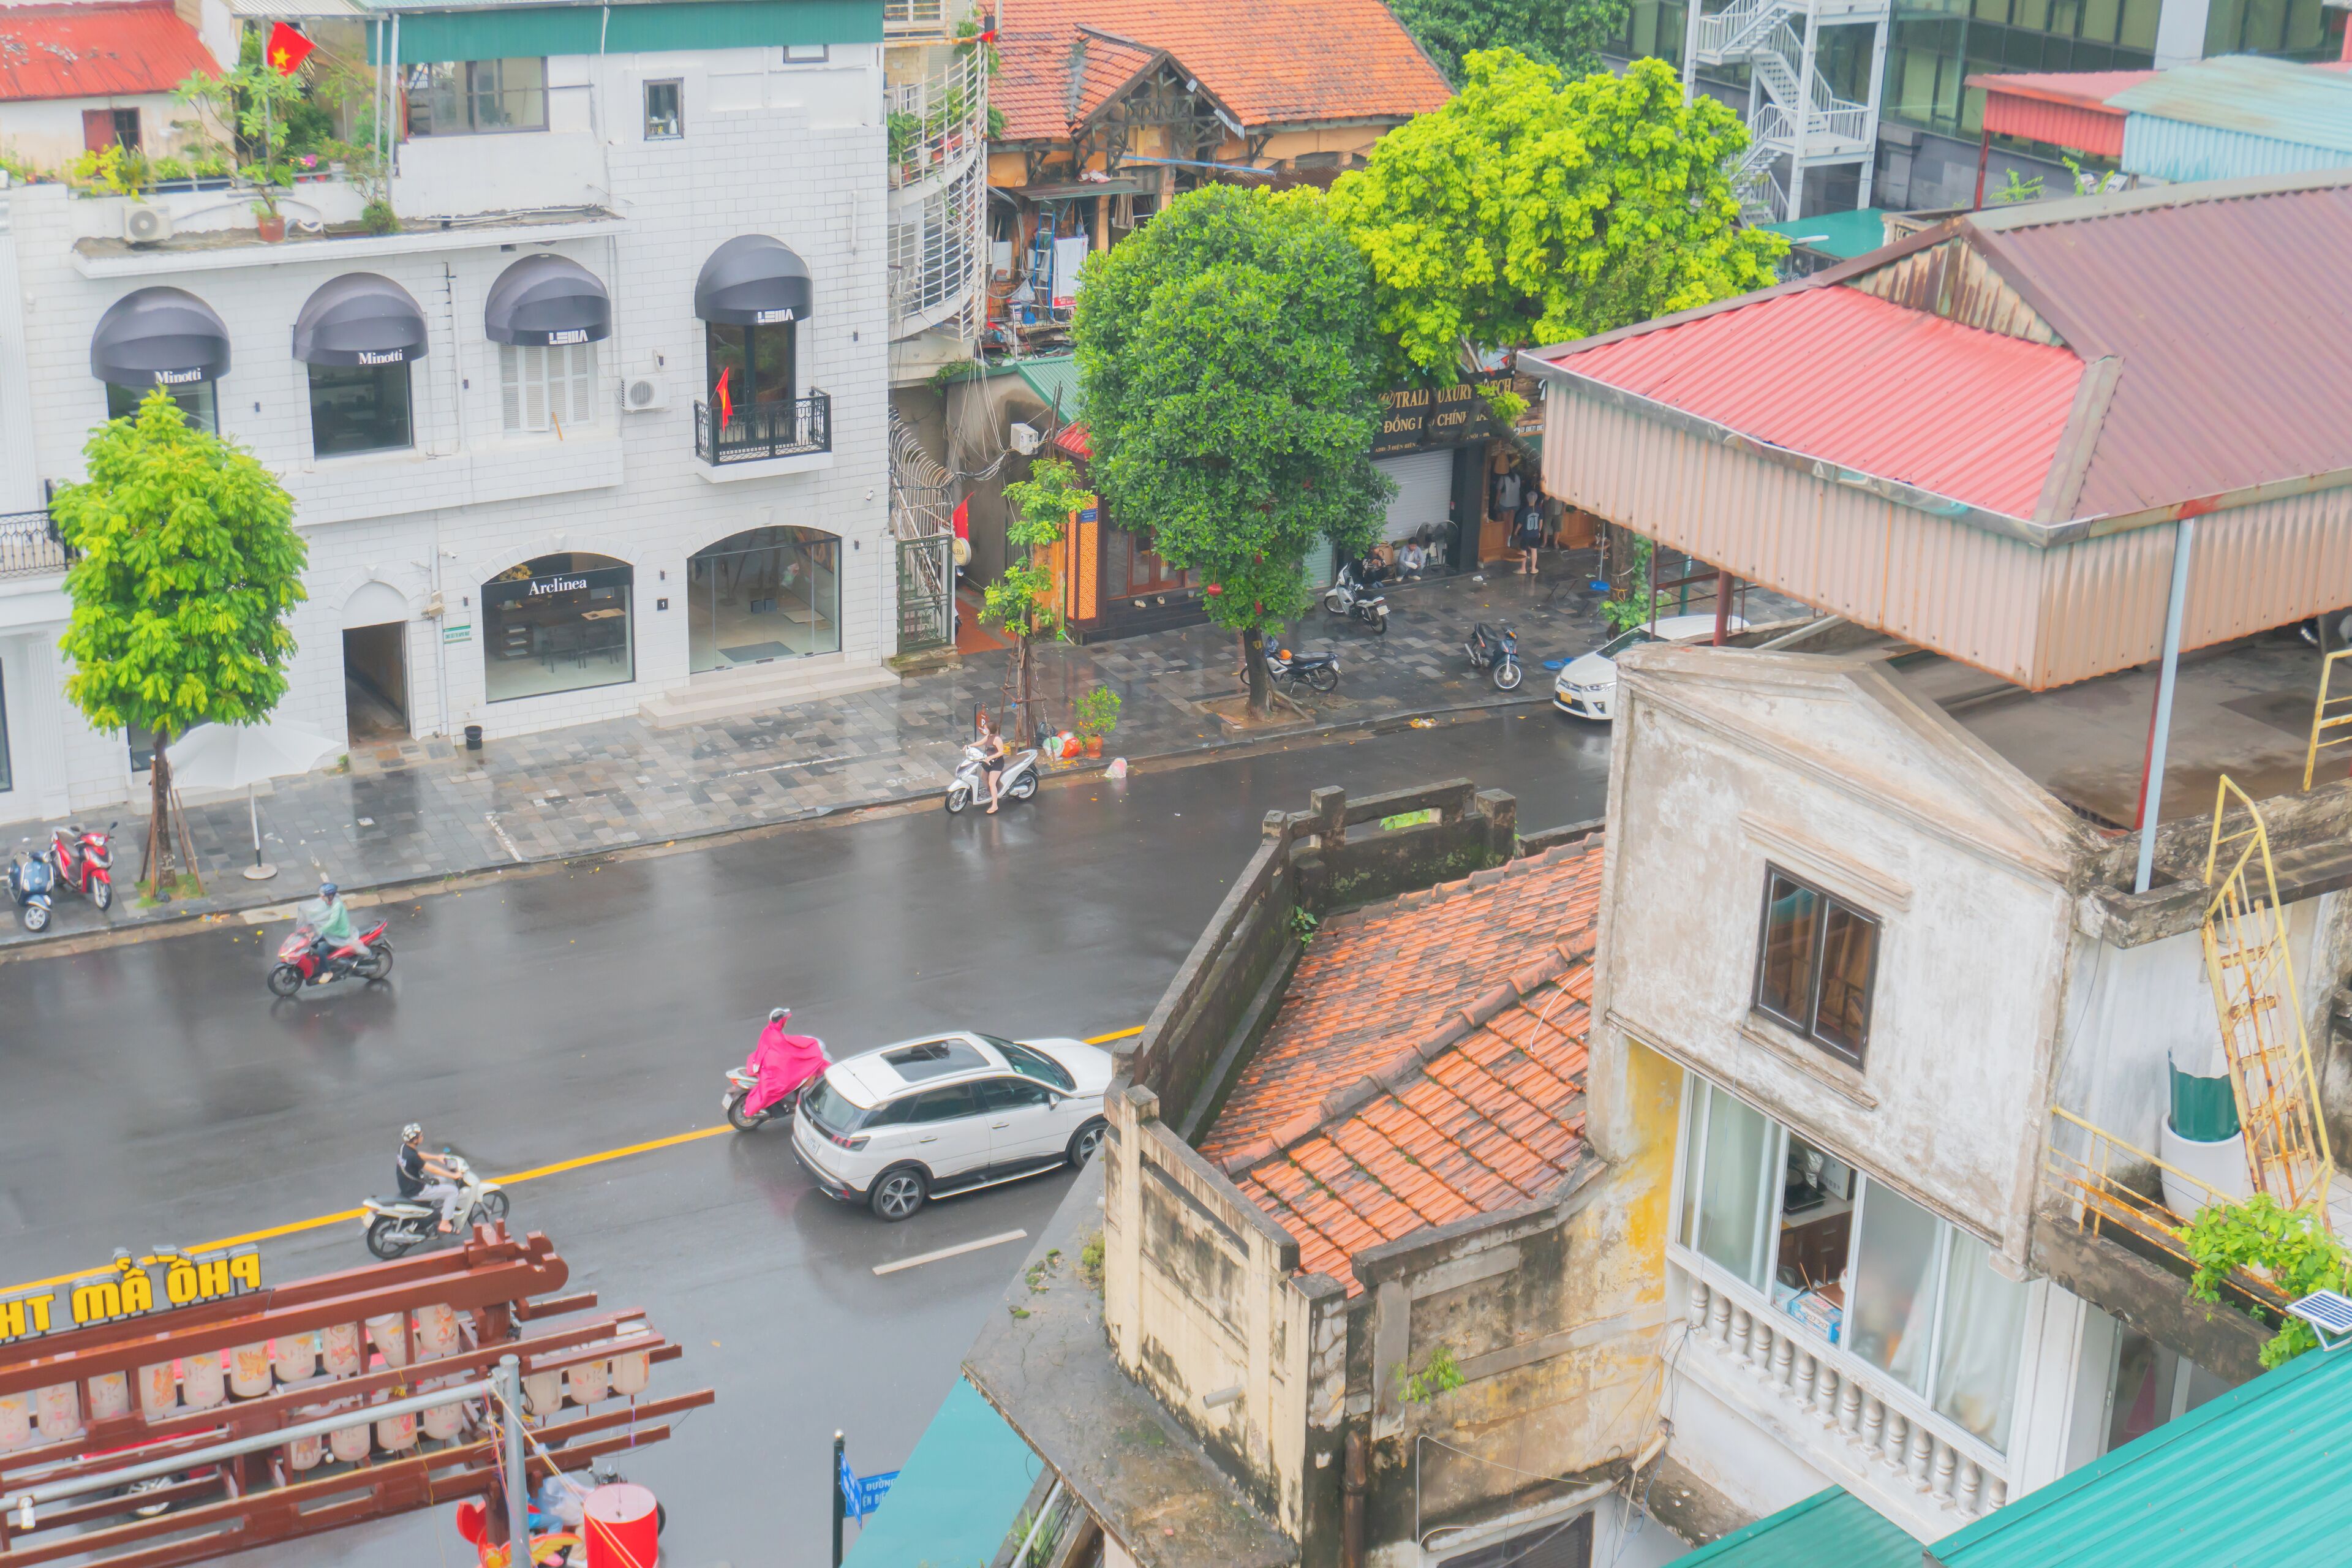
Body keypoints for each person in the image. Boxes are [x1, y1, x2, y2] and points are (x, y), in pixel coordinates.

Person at [744, 1007, 829, 1117]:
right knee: (810, 1073)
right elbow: (788, 1052)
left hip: (769, 1064)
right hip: (776, 1070)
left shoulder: (769, 1032)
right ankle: (803, 1100)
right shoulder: (778, 1039)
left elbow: (787, 1044)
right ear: (782, 1021)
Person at [396, 1123, 465, 1234]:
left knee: (442, 1180)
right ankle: (445, 1224)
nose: (422, 1136)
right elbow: (433, 1170)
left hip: (407, 1185)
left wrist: (437, 1157)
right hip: (417, 1190)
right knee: (453, 1191)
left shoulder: (404, 1148)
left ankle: (435, 1213)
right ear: (415, 1140)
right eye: (421, 1135)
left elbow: (419, 1155)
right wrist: (454, 1175)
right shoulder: (412, 1157)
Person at [314, 881, 361, 964]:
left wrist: (320, 929)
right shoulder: (329, 902)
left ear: (330, 896)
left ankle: (326, 972)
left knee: (321, 951)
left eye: (323, 896)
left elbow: (332, 922)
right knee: (313, 940)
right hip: (333, 932)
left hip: (340, 935)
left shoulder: (337, 906)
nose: (321, 898)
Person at [976, 711, 1008, 814]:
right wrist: (969, 746)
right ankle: (989, 793)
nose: (984, 730)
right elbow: (980, 743)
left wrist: (991, 757)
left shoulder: (997, 739)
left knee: (991, 782)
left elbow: (1001, 752)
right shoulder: (989, 736)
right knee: (983, 777)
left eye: (986, 728)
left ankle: (995, 805)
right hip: (989, 761)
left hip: (997, 763)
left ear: (990, 730)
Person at [1515, 496, 1545, 578]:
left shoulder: (1525, 510)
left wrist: (1516, 531)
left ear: (1528, 500)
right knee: (1534, 550)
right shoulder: (1539, 509)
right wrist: (1539, 531)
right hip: (1535, 533)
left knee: (1523, 550)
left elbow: (1520, 523)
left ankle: (1523, 569)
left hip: (1526, 534)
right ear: (1536, 500)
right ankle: (1533, 569)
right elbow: (1541, 522)